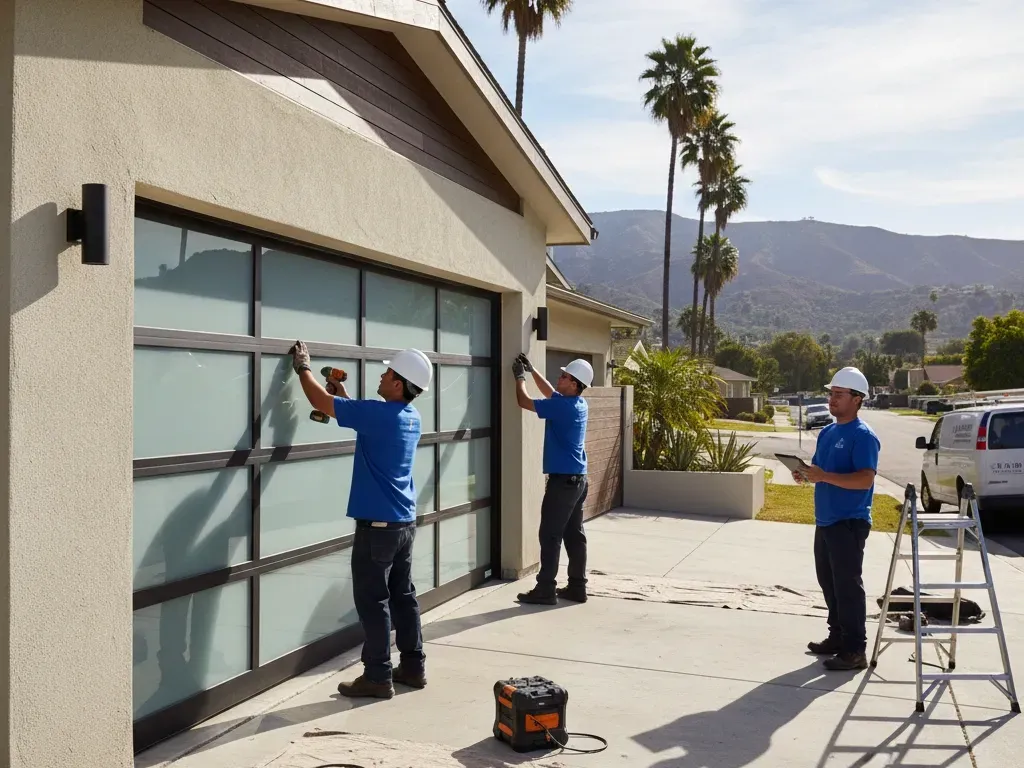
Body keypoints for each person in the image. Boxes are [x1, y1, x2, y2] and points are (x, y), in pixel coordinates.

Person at [290, 340, 433, 699]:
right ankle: (413, 667)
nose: (382, 376)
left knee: (373, 601)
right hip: (403, 523)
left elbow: (321, 403)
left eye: (387, 373)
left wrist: (303, 368)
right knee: (403, 595)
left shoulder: (377, 414)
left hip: (378, 528)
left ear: (399, 384)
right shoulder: (409, 417)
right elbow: (364, 416)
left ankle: (377, 676)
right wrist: (345, 397)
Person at [794, 366, 881, 671]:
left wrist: (824, 476)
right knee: (829, 583)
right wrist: (805, 475)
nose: (832, 399)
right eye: (830, 393)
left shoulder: (863, 436)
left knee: (847, 586)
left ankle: (856, 649)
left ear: (857, 399)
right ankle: (838, 637)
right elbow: (820, 471)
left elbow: (865, 480)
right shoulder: (829, 432)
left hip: (849, 521)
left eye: (839, 394)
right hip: (826, 520)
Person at [512, 352, 593, 606]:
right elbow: (550, 393)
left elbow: (524, 401)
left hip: (563, 483)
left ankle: (545, 588)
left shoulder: (563, 407)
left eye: (564, 376)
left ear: (575, 384)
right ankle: (577, 587)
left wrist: (519, 377)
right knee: (574, 534)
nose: (559, 378)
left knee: (550, 534)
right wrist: (533, 370)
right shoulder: (577, 404)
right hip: (578, 480)